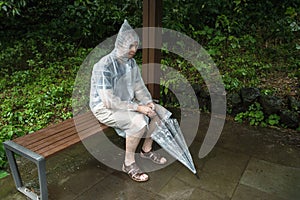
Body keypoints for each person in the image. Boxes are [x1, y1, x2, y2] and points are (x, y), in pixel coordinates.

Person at [89, 20, 167, 182]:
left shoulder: (131, 64)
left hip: (126, 103)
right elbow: (109, 101)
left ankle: (146, 150)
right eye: (130, 46)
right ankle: (128, 163)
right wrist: (138, 108)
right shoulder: (104, 66)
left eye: (135, 46)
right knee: (137, 122)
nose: (134, 50)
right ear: (120, 44)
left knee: (158, 112)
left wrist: (148, 102)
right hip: (104, 108)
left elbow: (139, 88)